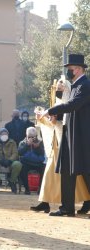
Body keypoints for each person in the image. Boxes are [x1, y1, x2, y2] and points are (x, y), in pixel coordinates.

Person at [38, 54, 90, 217]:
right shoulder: (76, 85)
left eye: (70, 69)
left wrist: (50, 110)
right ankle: (67, 207)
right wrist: (55, 115)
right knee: (67, 170)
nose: (68, 72)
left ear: (79, 69)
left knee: (86, 171)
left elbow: (74, 105)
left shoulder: (85, 85)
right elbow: (69, 108)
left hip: (82, 135)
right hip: (70, 132)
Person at [0, 128, 22, 193]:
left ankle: (12, 181)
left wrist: (10, 160)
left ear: (8, 134)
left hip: (10, 162)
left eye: (5, 134)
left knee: (18, 164)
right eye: (2, 134)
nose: (4, 135)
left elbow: (15, 153)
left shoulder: (12, 142)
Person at [18, 127, 45, 195]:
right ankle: (27, 189)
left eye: (34, 136)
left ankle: (40, 188)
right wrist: (27, 145)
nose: (32, 138)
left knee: (44, 169)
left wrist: (38, 147)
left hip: (37, 163)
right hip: (26, 162)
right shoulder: (23, 142)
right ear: (27, 135)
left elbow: (42, 153)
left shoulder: (40, 142)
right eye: (30, 136)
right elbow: (20, 152)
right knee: (22, 169)